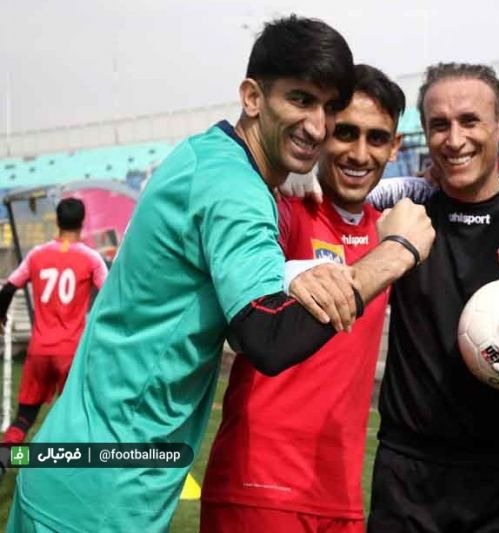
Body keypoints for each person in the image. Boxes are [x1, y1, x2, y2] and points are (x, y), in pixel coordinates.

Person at [7, 16, 434, 533]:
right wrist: (393, 255)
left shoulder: (209, 157)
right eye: (300, 100)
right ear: (252, 97)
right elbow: (267, 337)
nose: (317, 126)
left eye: (328, 108)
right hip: (101, 491)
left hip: (87, 466)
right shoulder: (234, 187)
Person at [200, 64, 405, 533]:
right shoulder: (282, 210)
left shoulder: (391, 232)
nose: (359, 153)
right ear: (322, 130)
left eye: (376, 138)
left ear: (394, 147)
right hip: (259, 490)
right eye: (345, 132)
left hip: (340, 495)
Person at [366, 63, 499, 533]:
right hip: (407, 473)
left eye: (470, 121)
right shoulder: (401, 212)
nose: (454, 140)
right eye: (440, 125)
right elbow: (331, 189)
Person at [0, 199, 107, 461]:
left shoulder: (37, 255)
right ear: (82, 223)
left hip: (39, 350)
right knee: (78, 416)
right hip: (71, 353)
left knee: (24, 416)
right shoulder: (91, 258)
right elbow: (110, 295)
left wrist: (0, 316)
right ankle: (68, 469)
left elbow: (9, 287)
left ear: (57, 221)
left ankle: (4, 461)